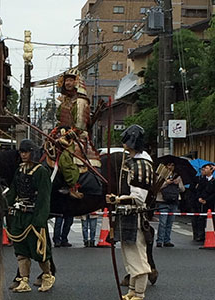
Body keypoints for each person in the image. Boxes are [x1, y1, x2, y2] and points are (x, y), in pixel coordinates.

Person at [106, 125, 154, 300]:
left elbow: (139, 197)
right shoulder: (133, 161)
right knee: (128, 254)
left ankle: (139, 293)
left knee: (137, 255)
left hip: (135, 214)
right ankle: (132, 290)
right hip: (126, 214)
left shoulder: (141, 164)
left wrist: (117, 199)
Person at [6, 139, 55, 293]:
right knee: (21, 250)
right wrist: (5, 205)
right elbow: (13, 190)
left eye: (26, 151)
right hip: (19, 215)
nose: (23, 154)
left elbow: (44, 198)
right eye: (21, 152)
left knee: (40, 251)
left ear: (33, 153)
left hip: (34, 216)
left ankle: (47, 275)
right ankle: (24, 279)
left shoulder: (41, 172)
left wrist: (39, 220)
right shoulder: (19, 170)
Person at [51, 68, 101, 199]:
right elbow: (59, 121)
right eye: (66, 80)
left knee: (65, 159)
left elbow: (79, 125)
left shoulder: (81, 101)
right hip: (63, 135)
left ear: (77, 82)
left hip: (77, 138)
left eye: (71, 80)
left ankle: (72, 186)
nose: (67, 83)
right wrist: (55, 132)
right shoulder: (65, 101)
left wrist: (66, 136)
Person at [156, 162, 185, 247]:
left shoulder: (177, 176)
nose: (170, 167)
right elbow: (156, 187)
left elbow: (182, 189)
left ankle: (167, 240)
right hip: (163, 201)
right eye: (169, 165)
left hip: (174, 201)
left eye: (172, 165)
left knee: (170, 222)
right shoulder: (161, 175)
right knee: (162, 222)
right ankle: (159, 240)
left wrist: (178, 183)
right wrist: (166, 183)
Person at [191, 163, 215, 242]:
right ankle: (200, 235)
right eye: (204, 168)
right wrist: (199, 198)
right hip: (200, 202)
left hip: (210, 203)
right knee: (200, 219)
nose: (204, 170)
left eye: (207, 168)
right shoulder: (201, 180)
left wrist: (207, 200)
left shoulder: (213, 181)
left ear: (211, 170)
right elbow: (198, 190)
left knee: (210, 219)